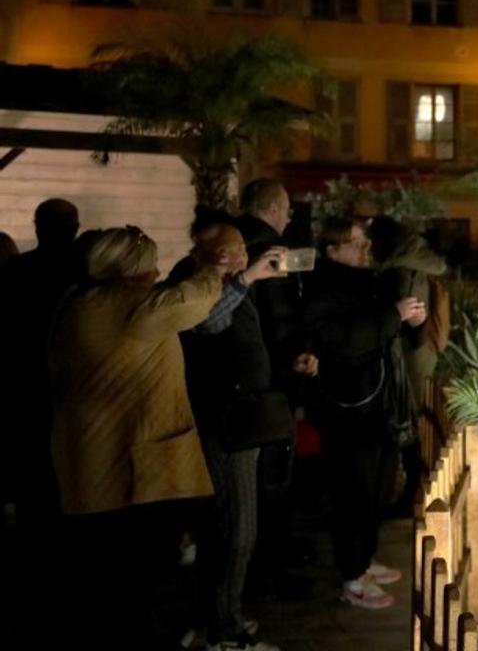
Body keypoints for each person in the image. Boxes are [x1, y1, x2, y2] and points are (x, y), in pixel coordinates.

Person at [49, 226, 230, 647]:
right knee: (143, 586)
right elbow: (196, 298)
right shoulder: (135, 307)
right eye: (151, 262)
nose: (157, 271)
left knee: (107, 587)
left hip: (88, 471)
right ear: (132, 268)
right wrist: (212, 266)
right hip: (133, 477)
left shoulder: (80, 301)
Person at [171, 217, 287, 651]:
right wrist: (246, 279)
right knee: (237, 527)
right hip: (225, 422)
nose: (239, 257)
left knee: (228, 525)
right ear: (201, 252)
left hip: (241, 417)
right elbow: (206, 323)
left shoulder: (228, 279)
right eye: (228, 250)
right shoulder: (195, 280)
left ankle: (214, 616)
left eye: (242, 248)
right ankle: (224, 630)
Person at [304, 217, 425, 610]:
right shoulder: (323, 287)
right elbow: (344, 340)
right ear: (332, 250)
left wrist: (413, 324)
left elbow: (388, 334)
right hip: (350, 407)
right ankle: (352, 578)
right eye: (354, 242)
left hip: (379, 405)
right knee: (353, 492)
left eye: (364, 241)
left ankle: (364, 560)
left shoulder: (368, 282)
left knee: (375, 488)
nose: (364, 248)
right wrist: (393, 315)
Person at [0, 199, 80, 636]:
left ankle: (34, 569)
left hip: (26, 389)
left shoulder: (15, 273)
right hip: (72, 391)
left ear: (37, 226)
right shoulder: (86, 276)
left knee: (35, 484)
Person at [235, 179, 318, 598]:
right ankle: (270, 568)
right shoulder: (272, 252)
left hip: (236, 377)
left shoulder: (229, 243)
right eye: (286, 209)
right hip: (267, 379)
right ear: (272, 207)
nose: (289, 218)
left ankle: (257, 564)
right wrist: (296, 360)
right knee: (272, 478)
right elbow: (280, 315)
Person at [368, 215, 450, 515]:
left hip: (408, 355)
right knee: (410, 421)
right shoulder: (419, 262)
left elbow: (405, 318)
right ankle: (410, 489)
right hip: (420, 352)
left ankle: (410, 493)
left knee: (406, 423)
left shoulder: (401, 270)